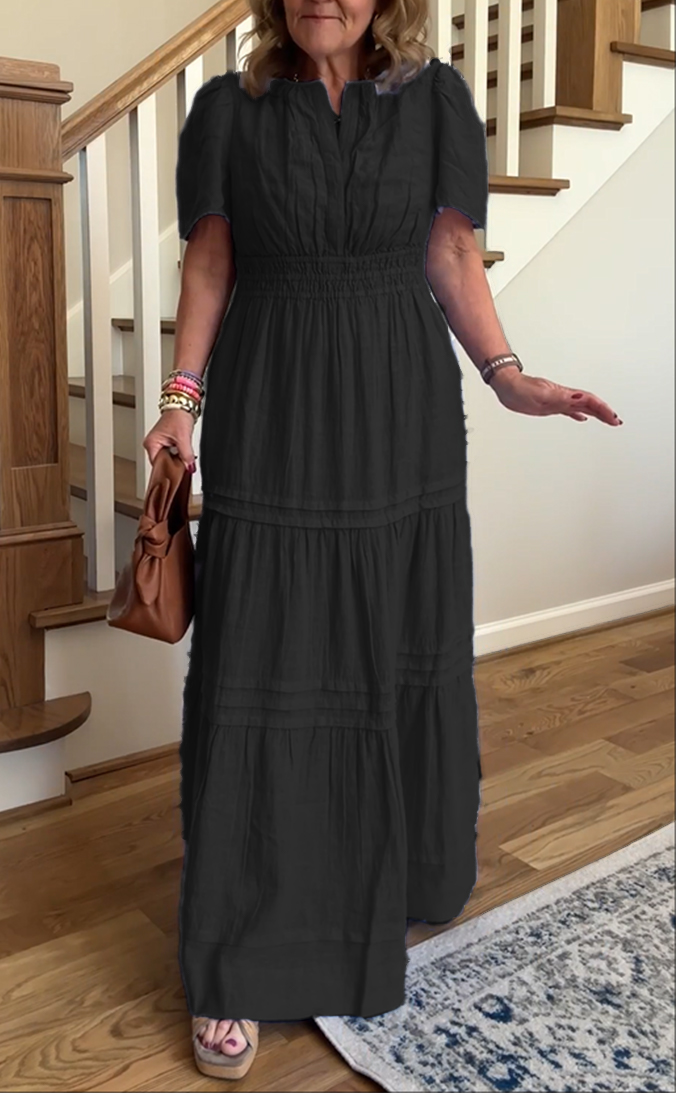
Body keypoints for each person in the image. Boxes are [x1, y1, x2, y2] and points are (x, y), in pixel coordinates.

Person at [143, 0, 622, 1080]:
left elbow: (451, 251)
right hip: (273, 400)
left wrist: (507, 375)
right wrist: (181, 400)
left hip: (403, 406)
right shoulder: (226, 110)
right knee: (263, 663)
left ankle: (387, 875)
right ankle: (240, 953)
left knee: (396, 645)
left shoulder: (437, 100)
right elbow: (210, 266)